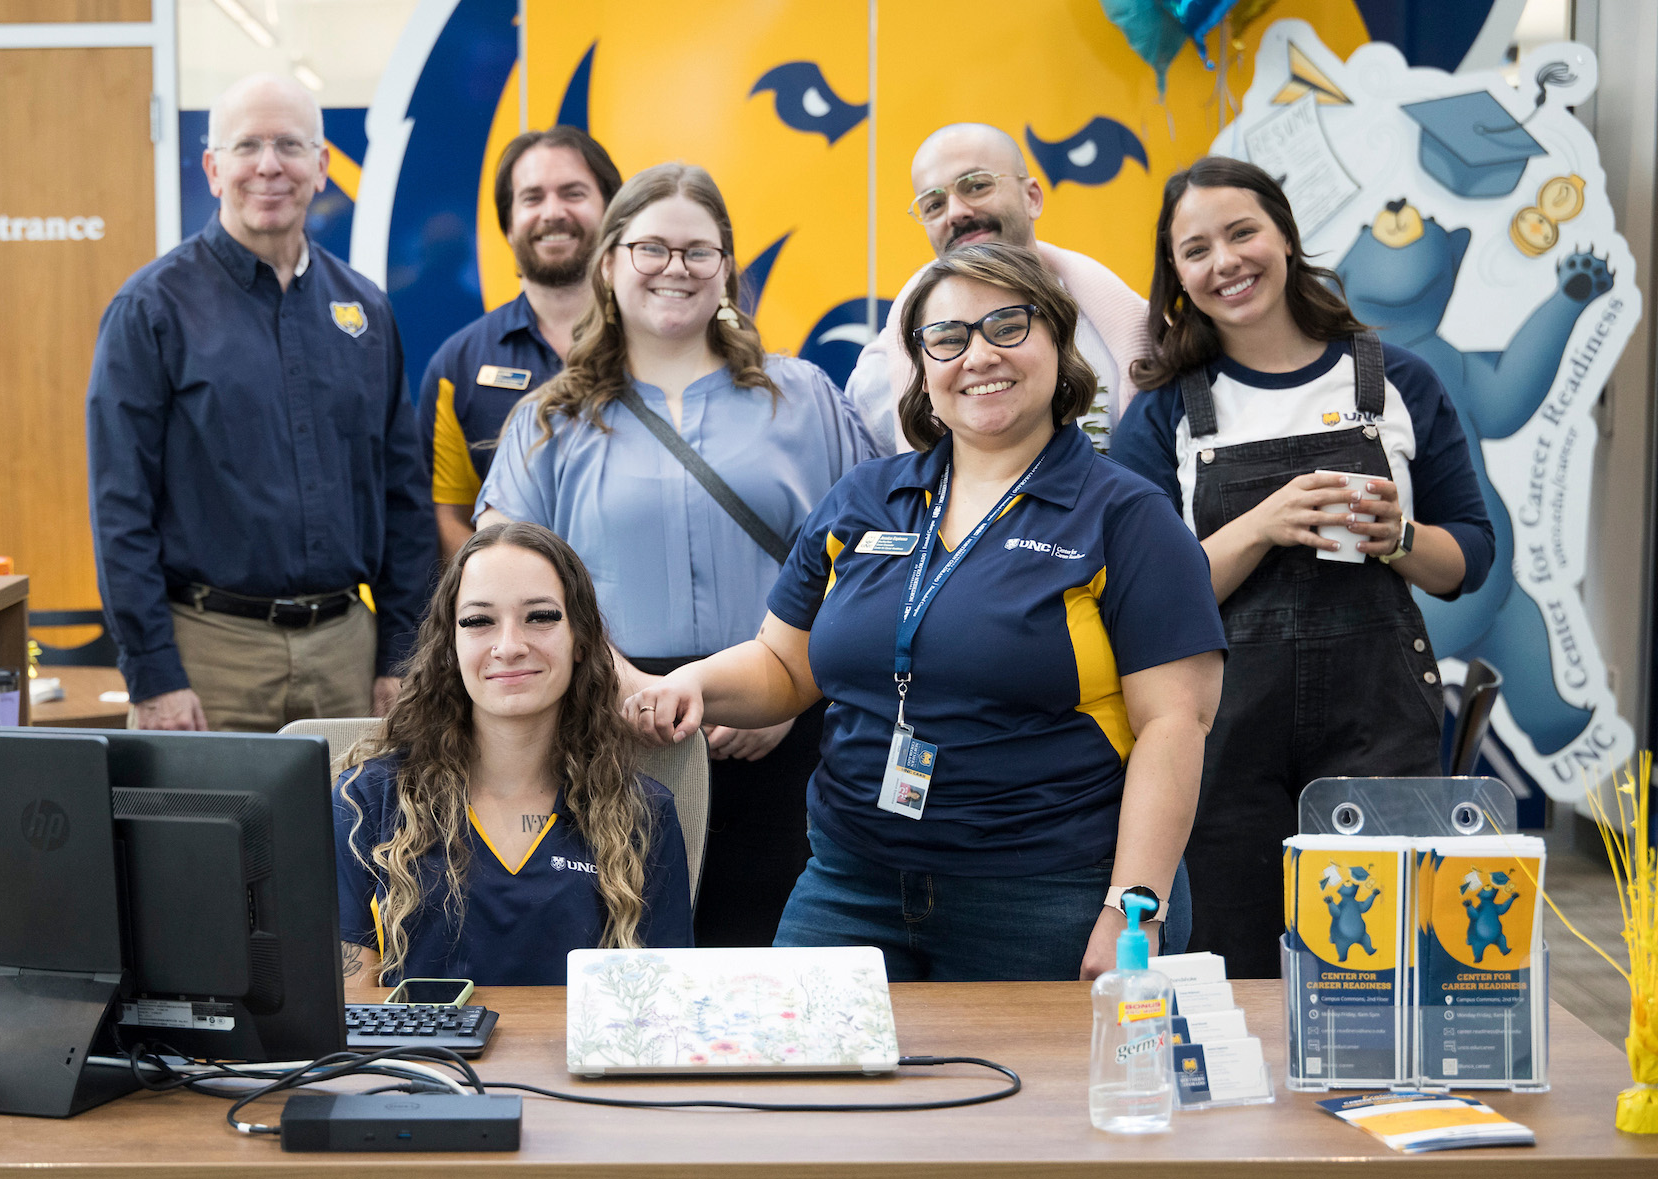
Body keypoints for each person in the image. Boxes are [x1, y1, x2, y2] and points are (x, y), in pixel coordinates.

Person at [628, 242, 1226, 981]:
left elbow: (1175, 725)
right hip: (850, 884)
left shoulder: (1128, 517)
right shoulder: (864, 498)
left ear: (1059, 342)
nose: (978, 355)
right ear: (919, 366)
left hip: (1050, 897)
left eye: (1008, 325)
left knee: (1042, 1099)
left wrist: (1132, 909)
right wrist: (693, 685)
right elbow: (786, 665)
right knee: (804, 1090)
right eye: (947, 338)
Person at [476, 162, 879, 947]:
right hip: (612, 731)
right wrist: (626, 688)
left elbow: (869, 562)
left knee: (774, 960)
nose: (676, 269)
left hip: (787, 740)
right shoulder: (550, 420)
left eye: (699, 251)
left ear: (727, 267)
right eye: (651, 249)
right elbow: (500, 585)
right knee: (630, 951)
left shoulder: (804, 398)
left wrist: (784, 687)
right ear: (610, 263)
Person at [1110, 157, 1494, 978]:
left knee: (1376, 971)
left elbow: (1468, 558)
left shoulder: (1396, 382)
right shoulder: (1167, 410)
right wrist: (1261, 525)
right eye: (1196, 249)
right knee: (1228, 968)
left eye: (1242, 232)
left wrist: (1399, 537)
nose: (1226, 263)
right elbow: (1142, 605)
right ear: (1175, 275)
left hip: (1379, 722)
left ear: (1284, 236)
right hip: (1218, 739)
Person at [87, 73, 434, 733]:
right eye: (247, 147)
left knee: (357, 837)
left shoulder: (366, 310)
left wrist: (401, 655)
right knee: (202, 840)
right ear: (214, 169)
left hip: (348, 660)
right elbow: (119, 509)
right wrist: (154, 674)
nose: (269, 166)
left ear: (322, 167)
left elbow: (404, 500)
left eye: (290, 146)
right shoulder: (151, 310)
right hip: (210, 659)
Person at [338, 520, 693, 988]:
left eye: (540, 617)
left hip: (574, 1063)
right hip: (421, 1063)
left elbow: (660, 1009)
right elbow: (349, 1011)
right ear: (450, 644)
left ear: (582, 640)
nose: (509, 647)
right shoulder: (365, 801)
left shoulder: (643, 814)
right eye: (478, 621)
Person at [849, 123, 1149, 452]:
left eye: (976, 186)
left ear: (1032, 197)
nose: (957, 212)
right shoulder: (881, 378)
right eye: (934, 204)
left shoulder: (1134, 336)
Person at [418, 126, 623, 561]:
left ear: (611, 214)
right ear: (508, 225)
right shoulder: (459, 364)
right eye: (532, 198)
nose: (553, 212)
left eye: (573, 193)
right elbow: (447, 517)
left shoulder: (657, 346)